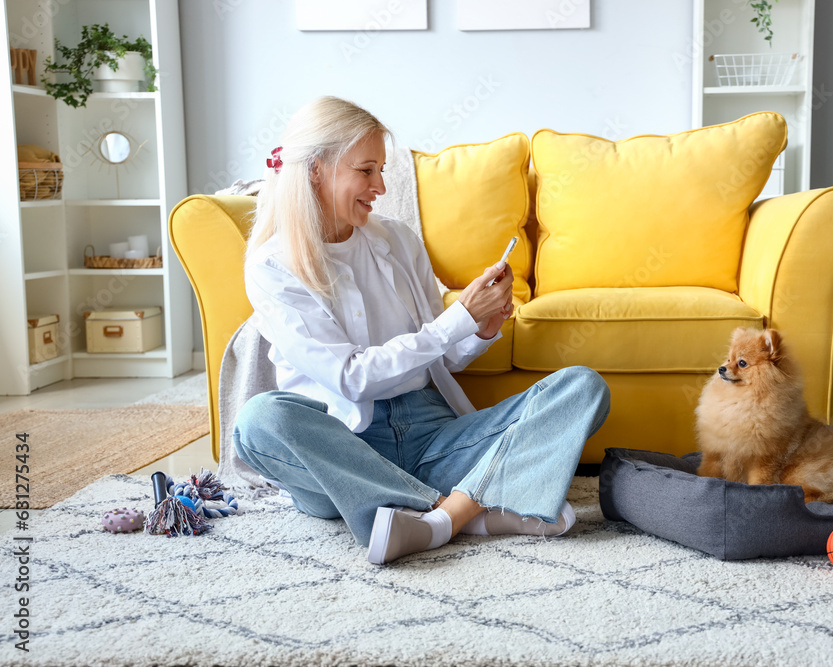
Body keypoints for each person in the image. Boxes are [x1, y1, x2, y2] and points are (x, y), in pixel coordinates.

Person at [232, 96, 610, 565]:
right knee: (259, 421)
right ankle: (465, 511)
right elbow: (352, 378)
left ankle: (438, 519)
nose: (381, 187)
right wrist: (455, 320)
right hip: (343, 453)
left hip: (434, 437)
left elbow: (442, 359)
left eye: (382, 171)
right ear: (316, 169)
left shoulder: (397, 240)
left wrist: (481, 329)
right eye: (366, 171)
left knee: (582, 387)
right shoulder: (272, 267)